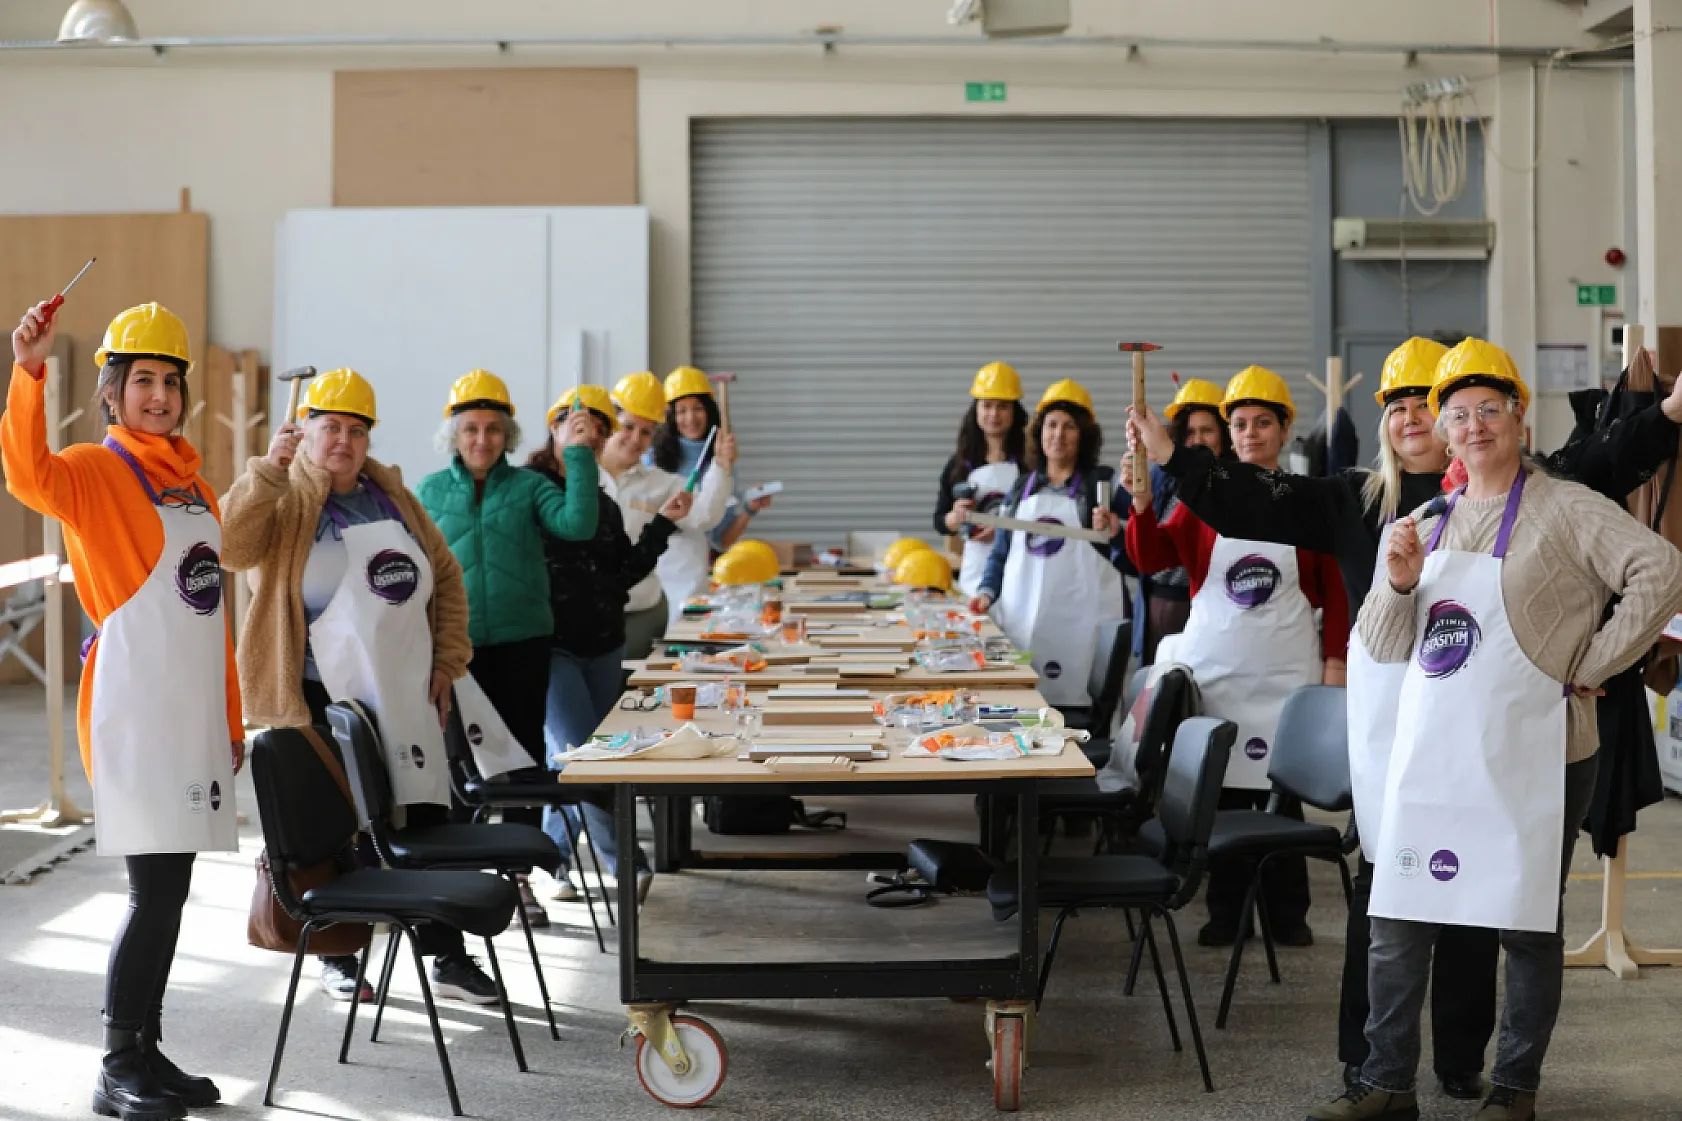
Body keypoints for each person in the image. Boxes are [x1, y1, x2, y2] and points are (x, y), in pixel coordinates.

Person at [1130, 337, 1682, 1101]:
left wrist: (1669, 416)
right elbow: (1253, 502)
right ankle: (1374, 1069)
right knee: (1392, 899)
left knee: (1496, 909)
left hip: (1518, 733)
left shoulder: (1545, 490)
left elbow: (1616, 466)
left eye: (1442, 405)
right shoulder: (1370, 505)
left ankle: (1468, 1062)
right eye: (1406, 406)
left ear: (1500, 419)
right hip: (1400, 732)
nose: (1428, 420)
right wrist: (1175, 460)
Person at [1306, 339, 1682, 1121]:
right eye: (1458, 413)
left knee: (1525, 926)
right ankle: (1385, 1083)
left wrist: (1601, 660)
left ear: (1518, 414)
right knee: (1398, 919)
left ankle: (1514, 1087)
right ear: (1442, 429)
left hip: (1540, 753)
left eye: (1489, 409)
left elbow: (1661, 570)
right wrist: (1398, 582)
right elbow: (1382, 644)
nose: (1473, 425)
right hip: (1436, 757)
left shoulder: (1566, 505)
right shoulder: (1424, 521)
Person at [2, 302, 240, 1120]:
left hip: (194, 713)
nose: (160, 395)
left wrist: (233, 720)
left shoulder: (196, 484)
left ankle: (147, 1048)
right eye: (143, 380)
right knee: (151, 891)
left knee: (173, 891)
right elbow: (26, 475)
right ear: (111, 391)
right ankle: (113, 1063)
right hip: (136, 712)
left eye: (170, 382)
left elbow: (214, 620)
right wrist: (27, 370)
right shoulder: (94, 472)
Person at [221, 368, 496, 1007]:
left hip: (401, 690)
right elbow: (231, 549)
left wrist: (447, 661)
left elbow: (447, 578)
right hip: (314, 691)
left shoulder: (390, 496)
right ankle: (337, 953)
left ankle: (445, 953)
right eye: (330, 427)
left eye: (355, 429)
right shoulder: (283, 491)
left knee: (424, 817)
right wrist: (267, 469)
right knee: (330, 829)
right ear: (307, 429)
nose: (342, 441)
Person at [1126, 366, 1348, 949]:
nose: (1250, 434)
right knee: (1221, 796)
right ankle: (1224, 912)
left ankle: (1287, 915)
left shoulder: (1307, 503)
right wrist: (1142, 503)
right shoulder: (1203, 503)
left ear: (1283, 429)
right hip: (1220, 676)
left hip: (1286, 679)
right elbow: (1151, 559)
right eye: (1241, 424)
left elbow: (1338, 593)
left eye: (1262, 423)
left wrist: (1335, 666)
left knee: (1282, 797)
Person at [415, 368, 600, 927]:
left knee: (520, 762)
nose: (481, 440)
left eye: (493, 429)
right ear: (453, 433)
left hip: (523, 643)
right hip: (455, 650)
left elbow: (579, 523)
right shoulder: (427, 492)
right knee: (458, 764)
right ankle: (459, 872)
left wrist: (581, 457)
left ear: (509, 436)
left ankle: (516, 877)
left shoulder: (528, 487)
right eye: (470, 428)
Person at [529, 385, 692, 902]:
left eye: (595, 439)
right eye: (577, 432)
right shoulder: (528, 489)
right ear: (554, 429)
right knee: (585, 757)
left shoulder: (602, 504)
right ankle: (626, 864)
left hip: (603, 645)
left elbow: (623, 574)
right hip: (551, 646)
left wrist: (664, 523)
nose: (587, 444)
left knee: (583, 757)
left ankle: (549, 862)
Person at [967, 378, 1125, 707]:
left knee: (1078, 708)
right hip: (1023, 626)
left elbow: (1129, 554)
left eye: (1069, 427)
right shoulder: (1021, 487)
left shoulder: (1102, 486)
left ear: (1084, 435)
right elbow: (1000, 554)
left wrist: (1116, 531)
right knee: (1024, 708)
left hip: (1082, 630)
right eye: (1051, 425)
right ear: (1038, 433)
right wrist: (985, 593)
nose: (1058, 435)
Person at [605, 372, 731, 654]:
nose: (636, 439)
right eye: (628, 426)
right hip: (582, 617)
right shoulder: (581, 476)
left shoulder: (660, 483)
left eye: (646, 431)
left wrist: (721, 468)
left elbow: (703, 516)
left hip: (639, 610)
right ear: (610, 425)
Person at [1115, 377, 1231, 664]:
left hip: (1208, 610)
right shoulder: (1162, 478)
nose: (1198, 440)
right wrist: (1137, 501)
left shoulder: (1230, 485)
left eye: (1207, 431)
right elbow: (1147, 556)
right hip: (1158, 605)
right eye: (1190, 432)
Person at [647, 366, 736, 625]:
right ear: (669, 415)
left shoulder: (722, 457)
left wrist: (723, 468)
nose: (690, 418)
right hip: (658, 569)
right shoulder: (652, 458)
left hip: (696, 569)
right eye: (681, 410)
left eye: (697, 408)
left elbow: (715, 527)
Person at [934, 361, 1029, 598]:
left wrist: (1004, 529)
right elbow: (939, 521)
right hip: (976, 572)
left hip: (1023, 571)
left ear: (1014, 411)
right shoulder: (959, 465)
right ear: (976, 409)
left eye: (1003, 407)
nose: (993, 414)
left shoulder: (1031, 463)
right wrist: (955, 518)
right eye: (987, 406)